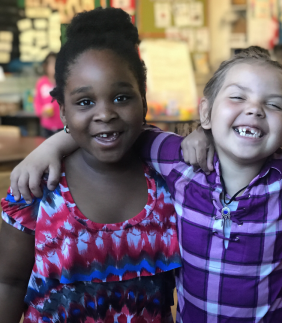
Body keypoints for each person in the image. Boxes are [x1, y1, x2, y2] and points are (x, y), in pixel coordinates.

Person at [10, 47, 282, 323]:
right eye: (237, 97)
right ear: (206, 113)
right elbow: (114, 127)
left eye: (272, 104)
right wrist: (56, 143)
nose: (254, 110)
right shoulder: (177, 159)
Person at [0, 8, 182, 322]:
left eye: (122, 97)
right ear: (63, 112)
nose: (105, 113)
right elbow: (8, 281)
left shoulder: (170, 181)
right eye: (85, 102)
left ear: (144, 100)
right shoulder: (38, 187)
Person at [34, 52, 64, 138]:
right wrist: (41, 111)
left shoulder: (63, 83)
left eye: (56, 63)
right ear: (45, 66)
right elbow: (37, 102)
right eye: (51, 63)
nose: (54, 66)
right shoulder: (41, 83)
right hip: (46, 126)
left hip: (62, 125)